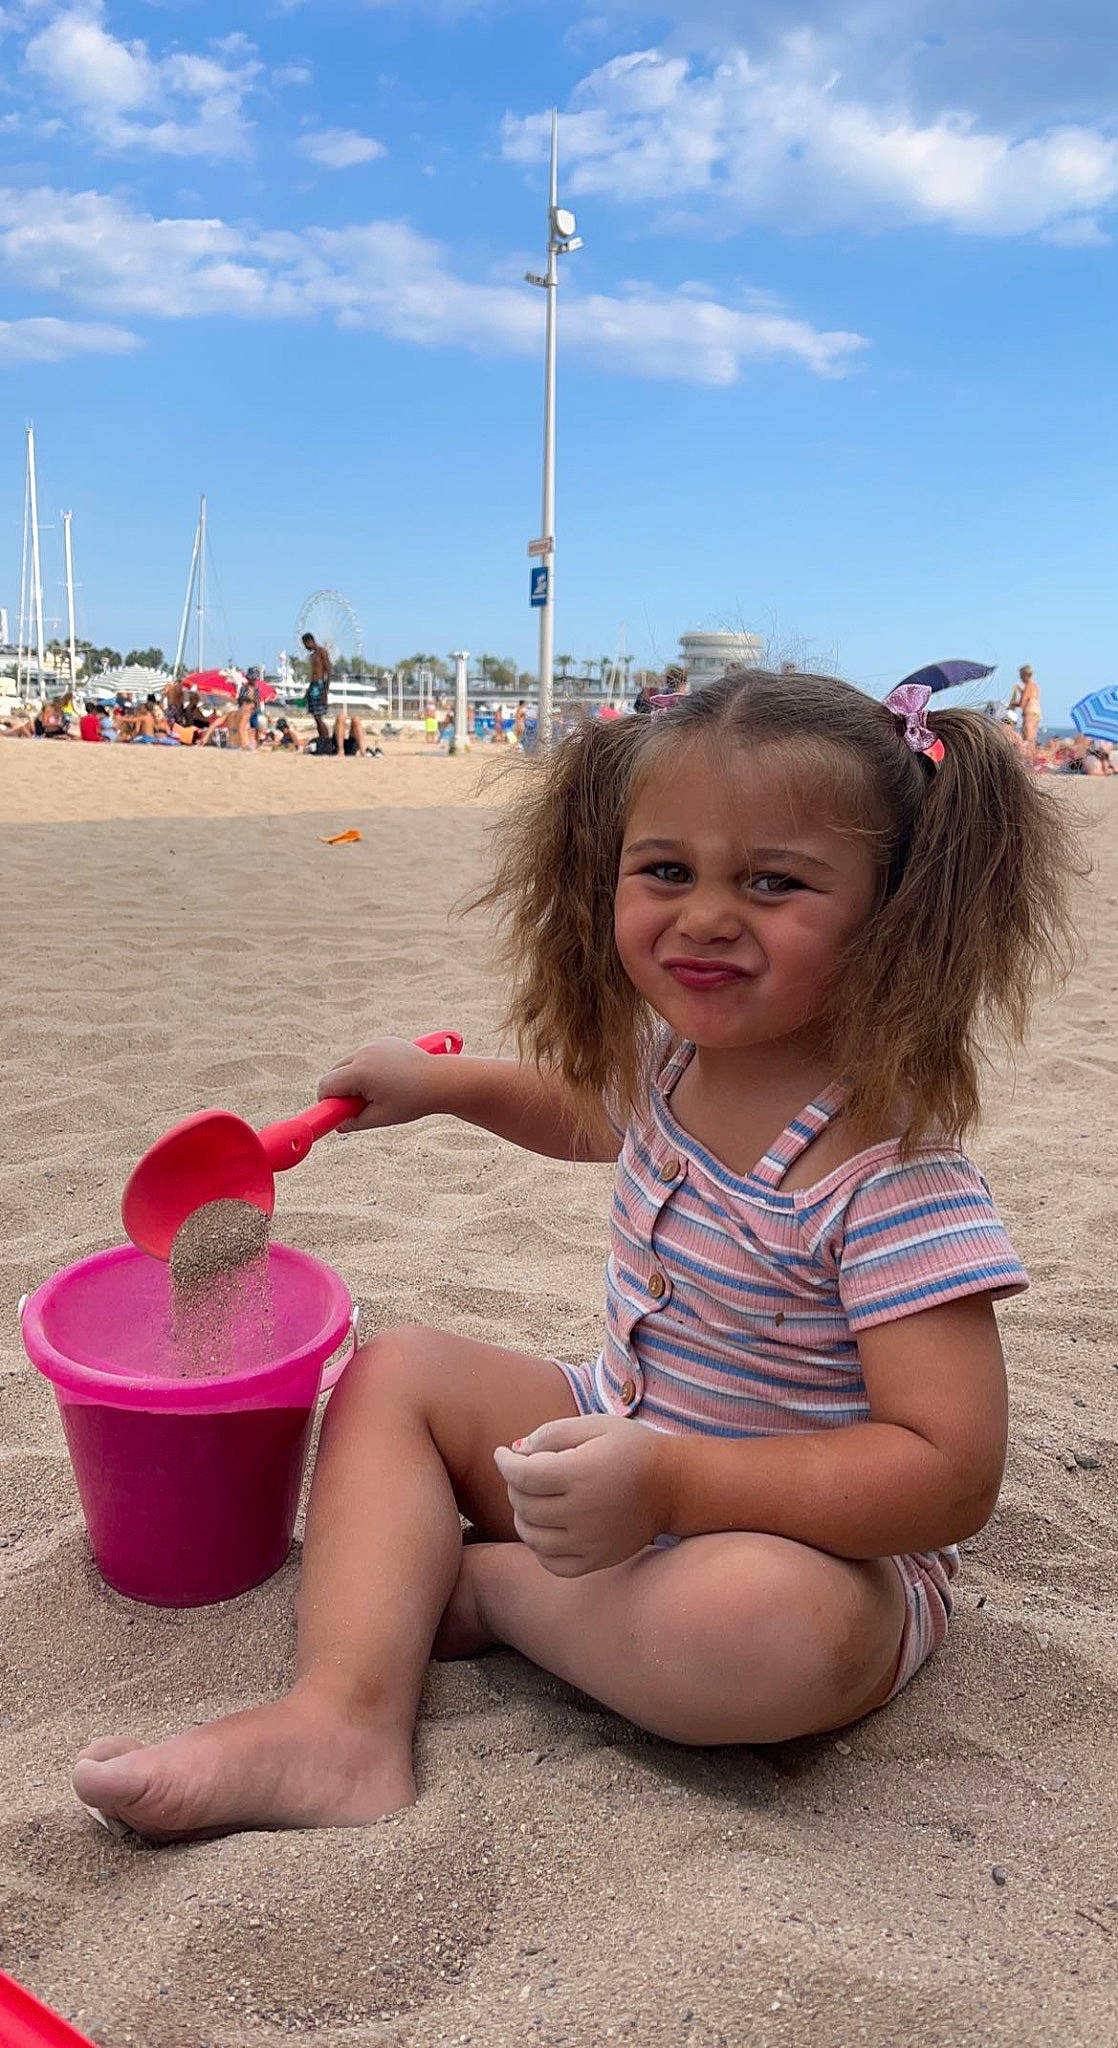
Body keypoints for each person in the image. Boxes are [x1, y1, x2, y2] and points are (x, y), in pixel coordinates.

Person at [71, 666, 1079, 1841]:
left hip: (798, 1538)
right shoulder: (674, 1063)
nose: (705, 915)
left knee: (773, 1629)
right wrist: (442, 1085)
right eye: (666, 870)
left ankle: (486, 1591)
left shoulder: (888, 1170)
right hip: (610, 1431)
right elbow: (580, 1110)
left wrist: (674, 1485)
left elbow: (947, 1472)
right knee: (397, 1370)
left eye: (772, 881)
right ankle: (340, 1719)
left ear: (892, 907)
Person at [302, 634, 332, 748]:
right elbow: (313, 674)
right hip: (313, 686)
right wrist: (308, 691)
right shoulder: (312, 655)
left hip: (320, 686)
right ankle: (322, 739)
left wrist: (325, 690)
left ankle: (326, 740)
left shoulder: (321, 652)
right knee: (315, 716)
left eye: (305, 644)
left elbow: (328, 671)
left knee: (319, 716)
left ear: (310, 641)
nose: (305, 647)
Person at [1009, 665, 1042, 758]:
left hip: (1029, 714)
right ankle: (1032, 759)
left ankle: (1028, 760)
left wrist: (1011, 704)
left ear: (1025, 675)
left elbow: (1022, 703)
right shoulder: (1035, 686)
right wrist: (1020, 690)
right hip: (1037, 714)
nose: (1020, 678)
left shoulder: (1028, 686)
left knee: (1027, 738)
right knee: (1032, 739)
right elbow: (1029, 697)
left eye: (1021, 675)